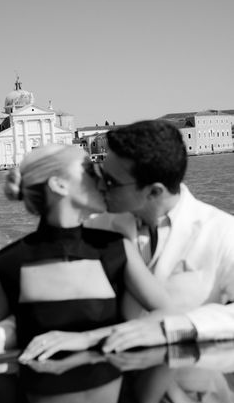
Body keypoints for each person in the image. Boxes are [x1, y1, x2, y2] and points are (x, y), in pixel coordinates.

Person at [0, 143, 183, 361]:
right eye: (89, 170)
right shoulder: (8, 262)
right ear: (59, 185)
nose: (103, 181)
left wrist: (88, 338)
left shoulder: (116, 248)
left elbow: (170, 314)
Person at [83, 119, 234, 352]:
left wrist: (174, 328)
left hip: (193, 374)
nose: (100, 186)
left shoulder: (222, 231)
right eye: (101, 174)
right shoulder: (94, 227)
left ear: (155, 191)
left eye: (111, 182)